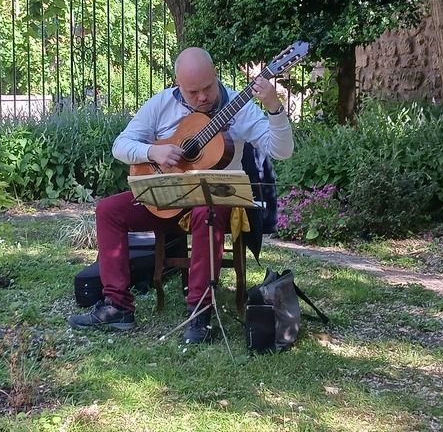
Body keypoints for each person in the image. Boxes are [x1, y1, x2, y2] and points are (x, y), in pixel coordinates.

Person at [67, 47, 294, 343]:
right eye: (192, 92)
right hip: (167, 195)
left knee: (205, 212)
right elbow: (120, 145)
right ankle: (117, 306)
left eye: (208, 88)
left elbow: (282, 151)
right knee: (109, 210)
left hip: (213, 201)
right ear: (178, 86)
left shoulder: (239, 107)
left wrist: (274, 108)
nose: (202, 97)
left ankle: (198, 314)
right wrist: (153, 151)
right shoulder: (162, 104)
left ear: (216, 76)